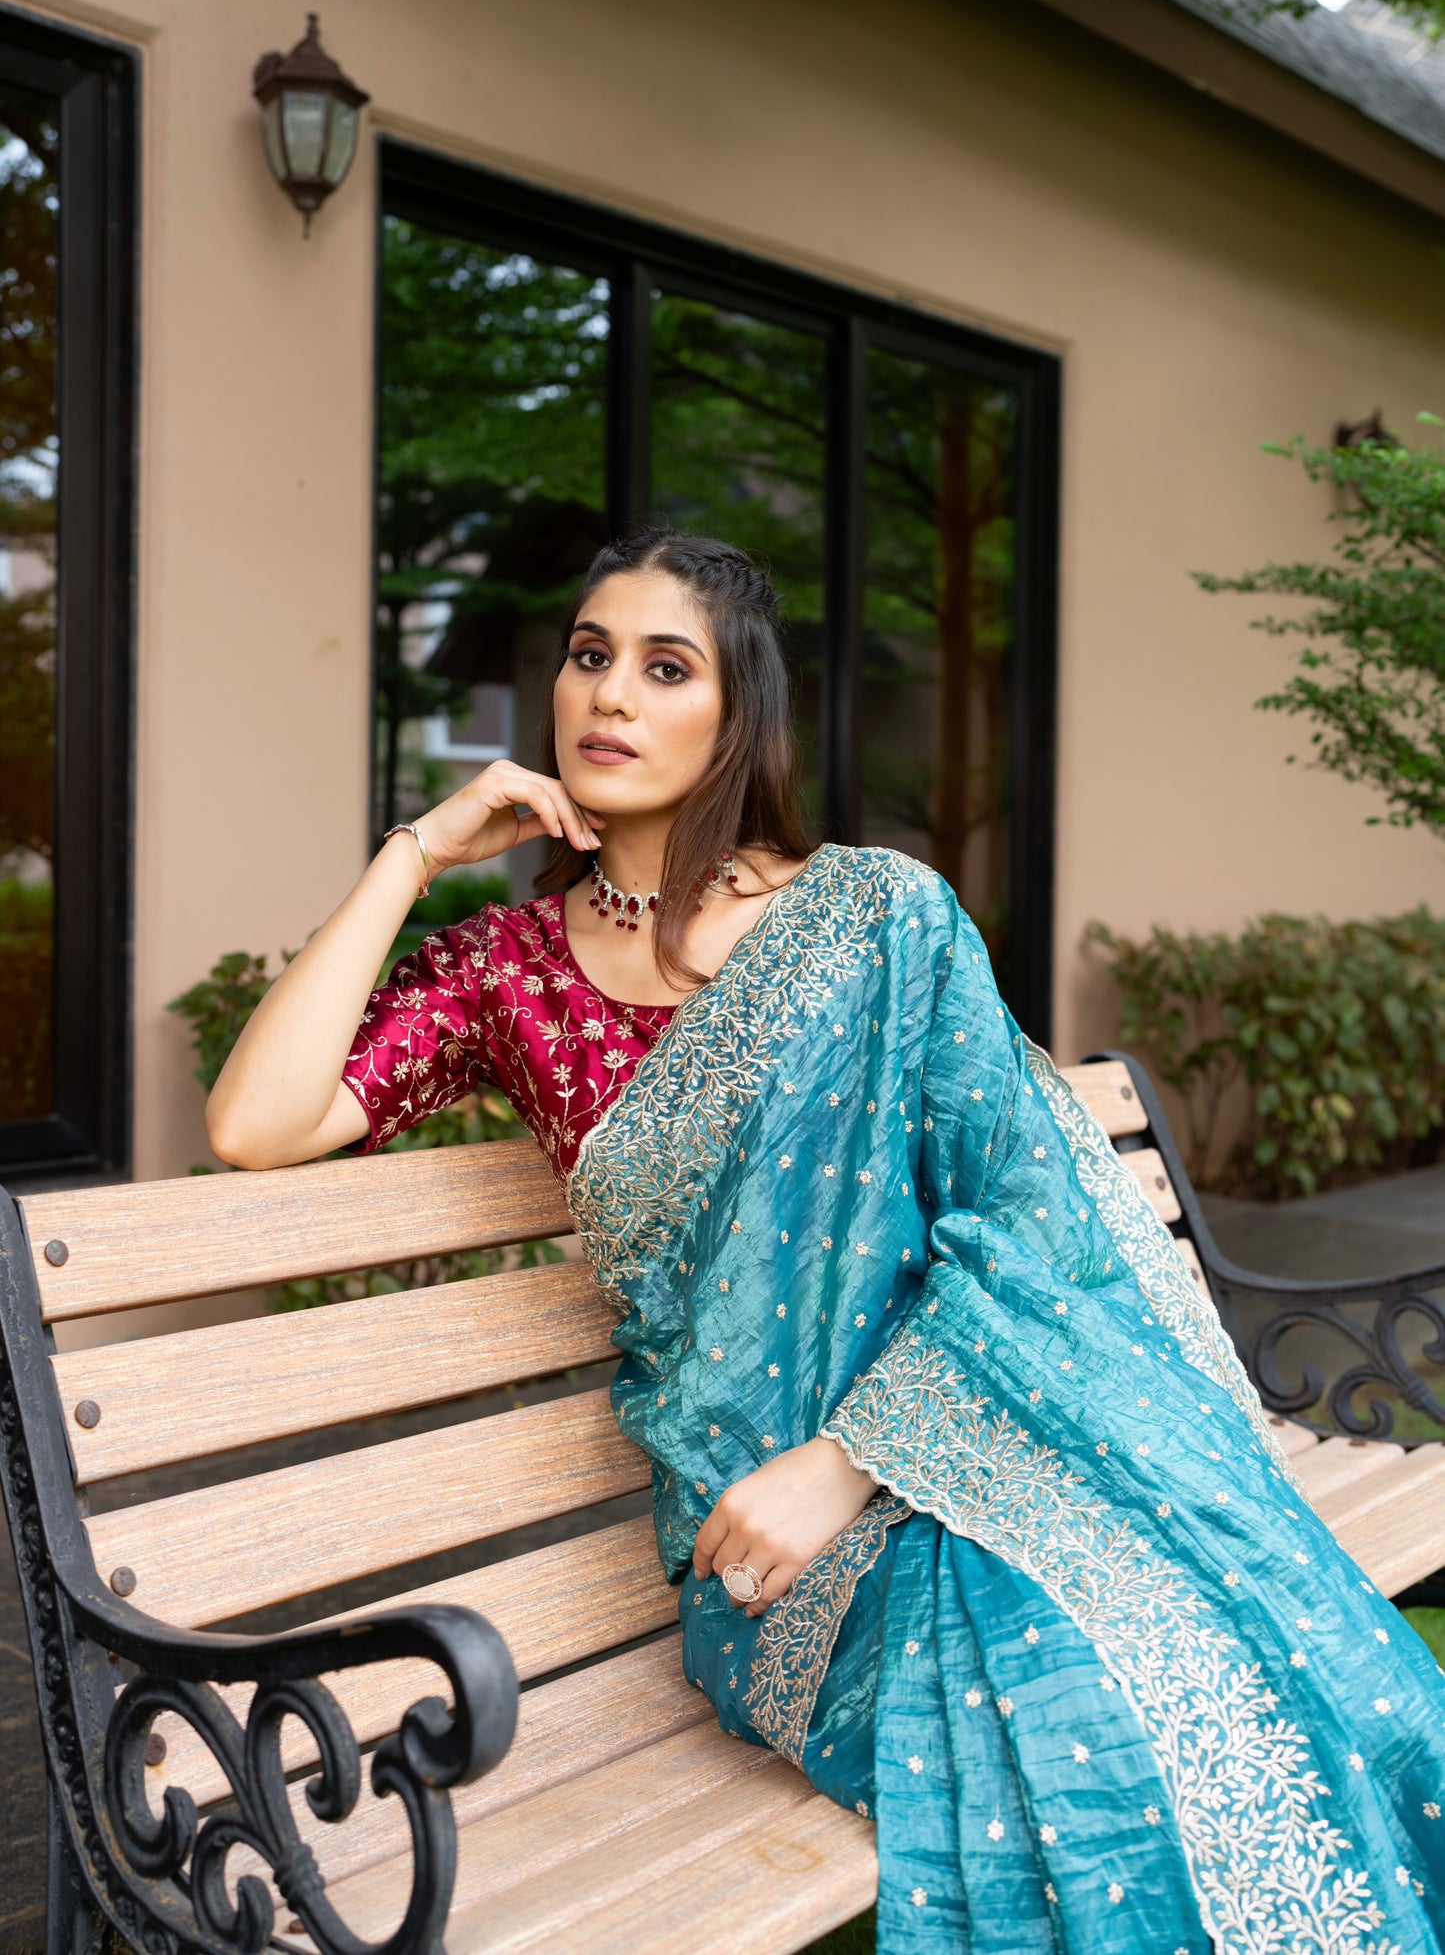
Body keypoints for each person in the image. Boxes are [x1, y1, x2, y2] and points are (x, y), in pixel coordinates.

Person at [209, 529, 1445, 1953]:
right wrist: (415, 849)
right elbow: (259, 1122)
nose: (610, 695)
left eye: (665, 668)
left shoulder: (872, 919)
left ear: (736, 715)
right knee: (1079, 1713)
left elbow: (1024, 1222)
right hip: (762, 1543)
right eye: (588, 656)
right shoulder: (510, 974)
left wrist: (852, 1458)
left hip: (958, 1441)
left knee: (1238, 1662)